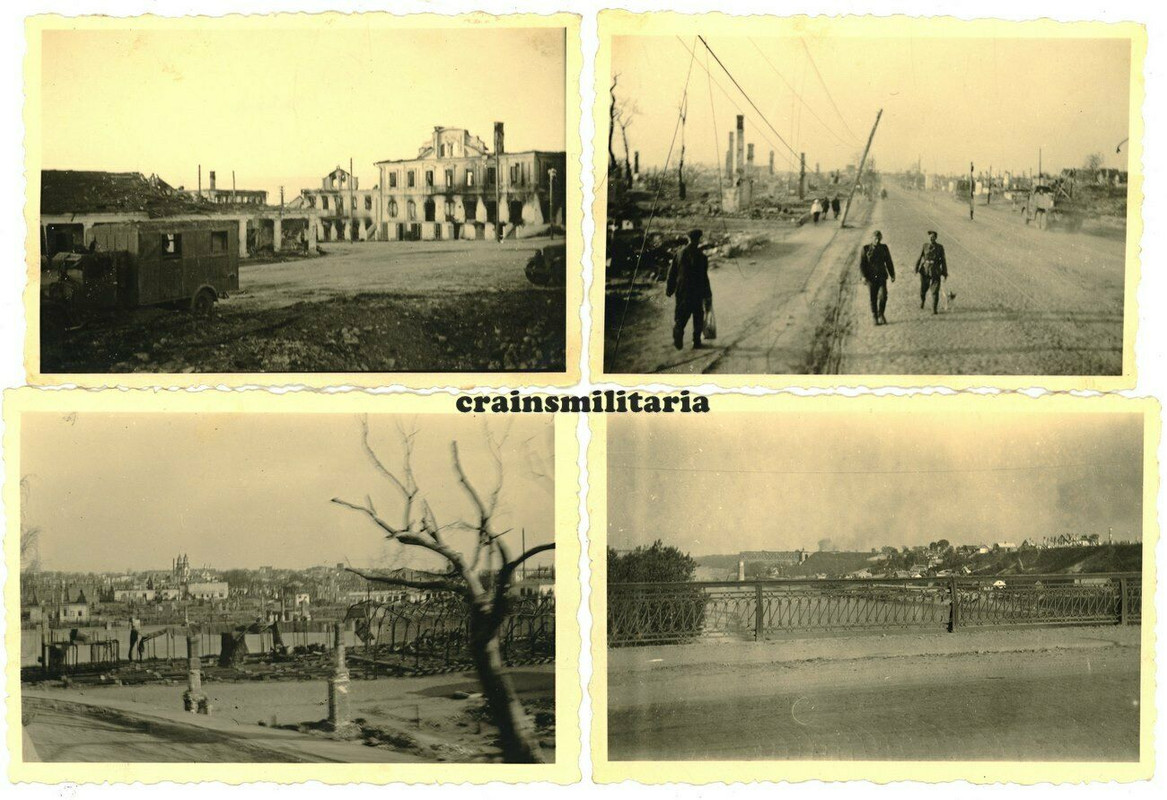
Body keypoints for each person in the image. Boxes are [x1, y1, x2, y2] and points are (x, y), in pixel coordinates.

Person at [666, 229, 713, 349]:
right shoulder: (702, 257)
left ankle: (678, 332)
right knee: (698, 315)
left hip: (682, 290)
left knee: (681, 314)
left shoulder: (679, 253)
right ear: (698, 240)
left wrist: (669, 289)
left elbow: (672, 273)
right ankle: (696, 341)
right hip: (697, 291)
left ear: (688, 239)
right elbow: (704, 277)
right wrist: (708, 294)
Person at [859, 230, 895, 325]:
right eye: (875, 238)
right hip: (870, 278)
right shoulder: (865, 249)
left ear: (881, 238)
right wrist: (863, 276)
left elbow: (888, 262)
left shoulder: (884, 248)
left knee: (883, 296)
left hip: (881, 276)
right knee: (873, 297)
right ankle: (874, 316)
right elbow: (862, 264)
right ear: (871, 239)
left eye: (879, 238)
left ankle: (881, 314)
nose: (877, 240)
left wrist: (892, 274)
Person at [915, 230, 949, 314]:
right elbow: (920, 257)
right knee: (923, 289)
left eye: (933, 237)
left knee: (935, 290)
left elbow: (943, 261)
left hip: (935, 270)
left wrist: (944, 272)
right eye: (930, 237)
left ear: (936, 238)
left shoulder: (940, 247)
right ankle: (922, 301)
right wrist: (916, 268)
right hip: (925, 270)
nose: (931, 238)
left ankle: (934, 309)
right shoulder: (924, 246)